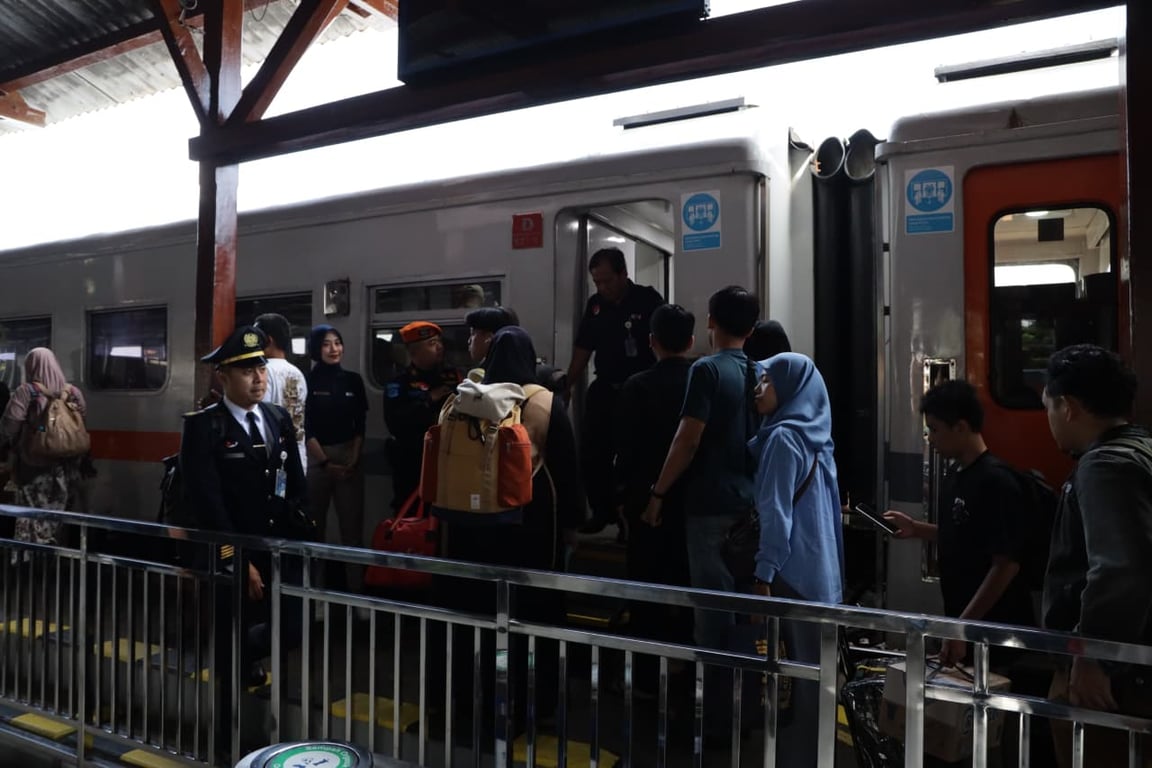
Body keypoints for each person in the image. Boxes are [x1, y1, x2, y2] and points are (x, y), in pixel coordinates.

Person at [178, 325, 311, 761]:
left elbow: (295, 484)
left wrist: (302, 540)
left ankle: (252, 681)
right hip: (234, 555)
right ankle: (226, 743)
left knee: (291, 628)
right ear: (223, 377)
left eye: (261, 368)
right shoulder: (205, 427)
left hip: (278, 550)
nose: (258, 377)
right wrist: (237, 560)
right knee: (231, 642)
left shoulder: (276, 418)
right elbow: (207, 503)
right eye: (246, 370)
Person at [445, 326, 585, 733]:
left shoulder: (465, 397)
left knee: (479, 614)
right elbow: (567, 469)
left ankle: (473, 698)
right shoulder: (543, 401)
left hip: (472, 526)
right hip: (530, 524)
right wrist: (573, 524)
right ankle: (533, 701)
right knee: (533, 613)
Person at [644, 285, 759, 737]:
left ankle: (715, 723)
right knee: (745, 615)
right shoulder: (760, 371)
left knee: (711, 618)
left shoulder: (707, 370)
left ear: (710, 321)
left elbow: (687, 440)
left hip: (709, 507)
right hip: (750, 507)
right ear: (752, 327)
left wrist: (658, 493)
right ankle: (746, 712)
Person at [1040, 344, 1152, 767]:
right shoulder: (1142, 448)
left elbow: (1120, 569)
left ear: (1068, 407)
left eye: (1048, 408)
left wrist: (1094, 657)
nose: (1049, 420)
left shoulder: (1104, 466)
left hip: (1117, 681)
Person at [884, 380, 1035, 665]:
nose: (930, 439)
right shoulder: (955, 475)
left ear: (961, 427)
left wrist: (963, 626)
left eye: (935, 429)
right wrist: (916, 528)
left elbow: (1006, 564)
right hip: (967, 624)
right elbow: (965, 536)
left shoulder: (997, 481)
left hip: (997, 630)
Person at [750, 352, 844, 767]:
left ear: (789, 387)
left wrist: (763, 574)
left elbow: (776, 515)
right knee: (818, 684)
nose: (758, 389)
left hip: (790, 576)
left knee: (789, 681)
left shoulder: (783, 439)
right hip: (823, 577)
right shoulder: (818, 437)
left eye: (766, 381)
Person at [614, 304, 695, 662]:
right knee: (688, 586)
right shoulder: (702, 381)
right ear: (691, 341)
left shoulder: (637, 386)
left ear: (651, 341)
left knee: (646, 586)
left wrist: (622, 498)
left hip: (645, 502)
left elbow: (625, 449)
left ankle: (647, 669)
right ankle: (688, 669)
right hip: (692, 503)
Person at [566, 248, 664, 533]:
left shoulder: (647, 299)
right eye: (597, 282)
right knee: (593, 452)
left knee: (634, 456)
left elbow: (665, 342)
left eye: (607, 281)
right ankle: (602, 512)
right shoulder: (596, 305)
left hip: (640, 391)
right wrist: (568, 384)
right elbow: (583, 348)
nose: (602, 288)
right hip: (606, 387)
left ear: (623, 274)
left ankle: (630, 520)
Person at [304, 324, 369, 592]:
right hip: (317, 459)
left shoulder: (353, 380)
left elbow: (360, 424)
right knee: (313, 530)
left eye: (338, 342)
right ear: (316, 349)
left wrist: (354, 456)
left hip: (349, 458)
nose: (334, 349)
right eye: (326, 344)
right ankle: (315, 593)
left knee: (352, 531)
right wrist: (324, 463)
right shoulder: (307, 381)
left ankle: (356, 595)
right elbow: (305, 427)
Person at [0, 347, 87, 546]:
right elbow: (80, 422)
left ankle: (32, 558)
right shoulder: (73, 392)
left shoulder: (27, 392)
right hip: (66, 468)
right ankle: (56, 555)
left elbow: (8, 428)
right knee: (58, 517)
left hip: (33, 467)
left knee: (33, 517)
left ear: (31, 366)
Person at [382, 321, 461, 510]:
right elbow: (396, 422)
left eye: (439, 342)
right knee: (410, 511)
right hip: (413, 459)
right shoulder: (400, 382)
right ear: (414, 351)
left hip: (447, 457)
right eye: (432, 344)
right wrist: (428, 400)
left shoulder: (453, 377)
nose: (439, 347)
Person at [255, 313, 308, 469]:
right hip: (298, 456)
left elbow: (260, 413)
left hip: (272, 457)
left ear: (268, 340)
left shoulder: (263, 371)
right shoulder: (298, 373)